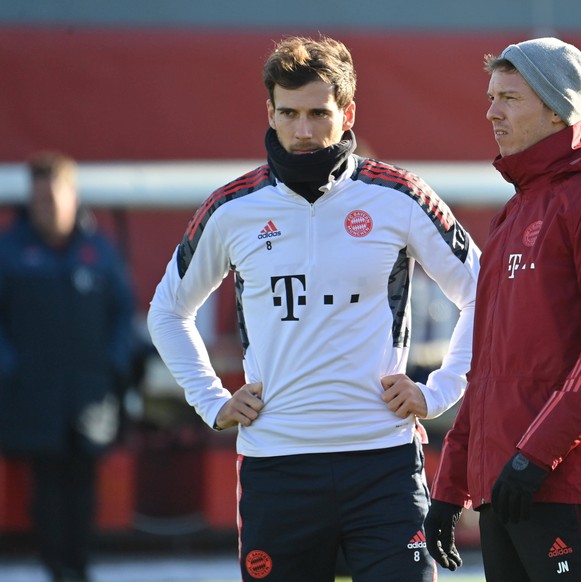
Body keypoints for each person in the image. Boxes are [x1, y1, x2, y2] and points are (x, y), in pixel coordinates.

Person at [147, 35, 480, 582]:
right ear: (270, 112)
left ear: (347, 113)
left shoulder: (400, 196)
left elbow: (485, 292)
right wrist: (210, 400)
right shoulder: (233, 208)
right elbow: (167, 311)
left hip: (384, 463)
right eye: (290, 113)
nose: (303, 131)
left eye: (319, 114)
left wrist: (440, 390)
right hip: (277, 467)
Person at [424, 37, 581, 582]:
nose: (491, 111)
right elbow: (485, 372)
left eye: (509, 97)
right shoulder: (514, 211)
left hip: (567, 483)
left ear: (558, 108)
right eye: (491, 96)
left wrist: (533, 457)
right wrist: (451, 487)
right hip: (504, 490)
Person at [0, 152, 135, 582]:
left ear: (73, 197)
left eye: (54, 198)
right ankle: (56, 567)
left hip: (89, 393)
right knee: (46, 487)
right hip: (33, 393)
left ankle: (79, 567)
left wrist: (112, 365)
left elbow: (123, 315)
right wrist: (11, 367)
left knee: (83, 486)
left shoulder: (99, 252)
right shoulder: (10, 252)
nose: (48, 208)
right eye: (39, 200)